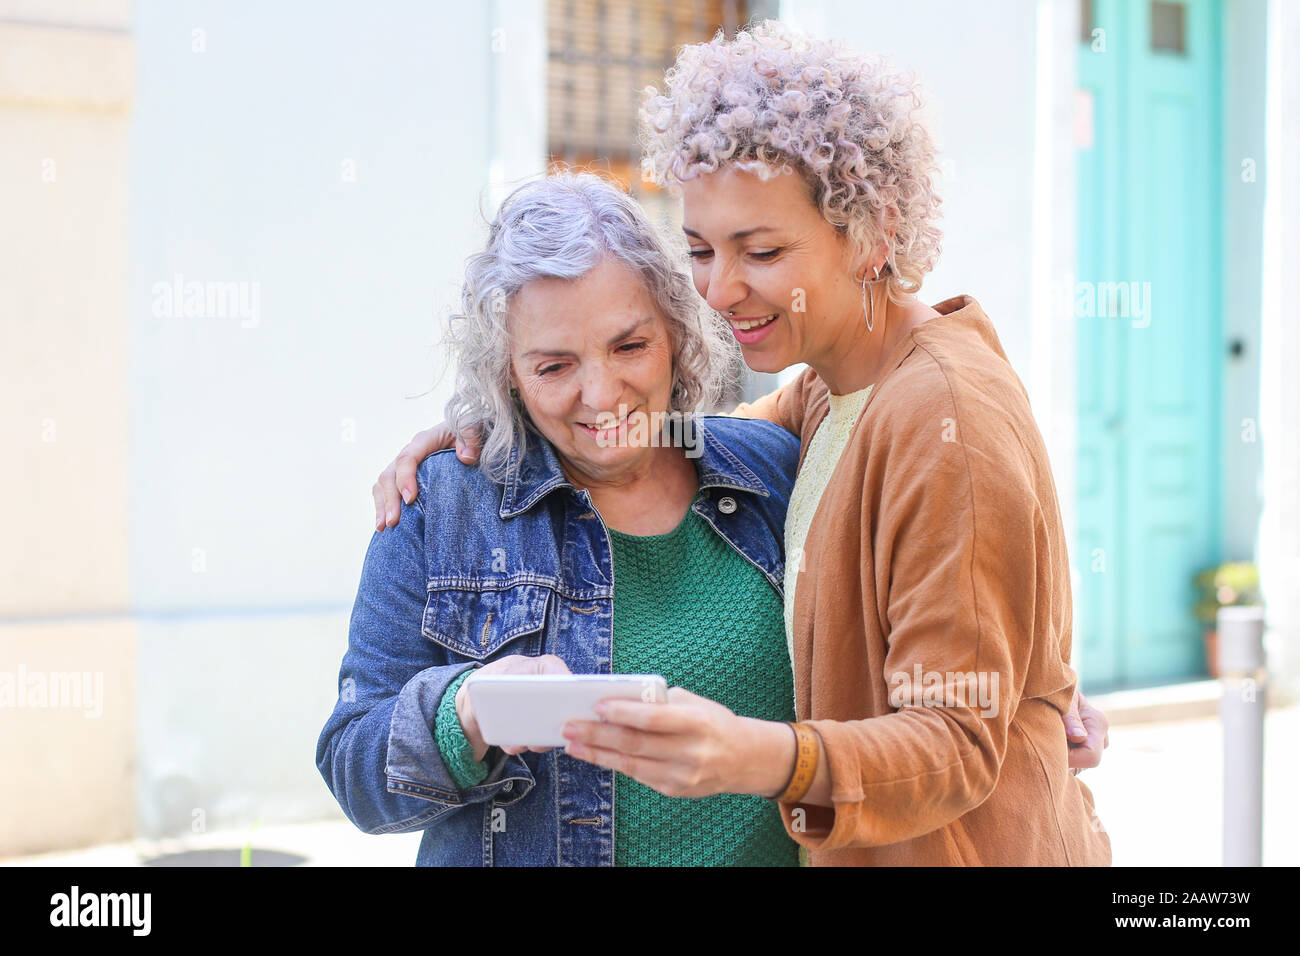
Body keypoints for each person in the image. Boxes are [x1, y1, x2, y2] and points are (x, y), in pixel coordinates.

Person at [369, 21, 1111, 865]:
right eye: (700, 250)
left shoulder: (945, 417)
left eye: (761, 251)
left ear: (872, 230)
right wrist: (494, 424)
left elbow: (960, 740)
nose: (722, 289)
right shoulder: (828, 394)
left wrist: (751, 755)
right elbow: (679, 434)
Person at [318, 171, 808, 865]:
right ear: (507, 372)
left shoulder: (774, 471)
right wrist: (467, 712)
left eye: (630, 346)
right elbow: (354, 771)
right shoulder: (444, 504)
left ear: (676, 332)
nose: (601, 394)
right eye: (554, 366)